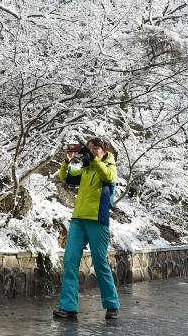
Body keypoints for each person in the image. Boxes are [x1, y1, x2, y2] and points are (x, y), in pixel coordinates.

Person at [53, 137, 120, 321]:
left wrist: (95, 160)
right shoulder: (86, 169)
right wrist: (67, 161)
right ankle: (68, 306)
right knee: (70, 261)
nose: (91, 151)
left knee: (100, 263)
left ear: (104, 151)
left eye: (95, 148)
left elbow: (107, 177)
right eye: (89, 148)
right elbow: (65, 177)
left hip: (97, 221)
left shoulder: (109, 167)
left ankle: (112, 305)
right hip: (78, 221)